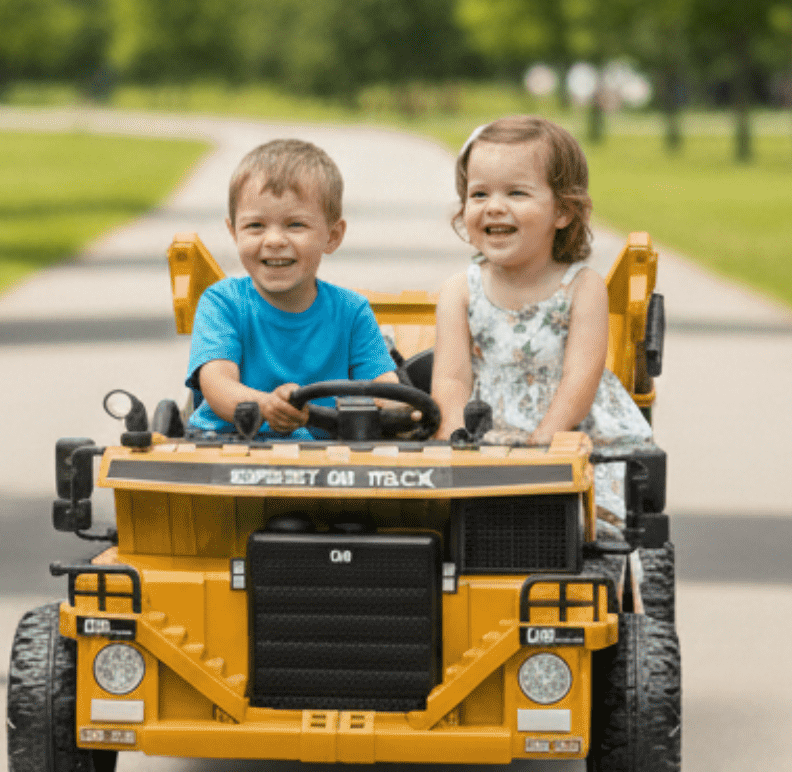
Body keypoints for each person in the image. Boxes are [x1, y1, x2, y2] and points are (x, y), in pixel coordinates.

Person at [430, 116, 652, 529]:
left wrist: (545, 442)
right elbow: (452, 380)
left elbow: (580, 377)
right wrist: (456, 438)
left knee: (589, 532)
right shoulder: (459, 291)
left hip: (568, 431)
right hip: (487, 436)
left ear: (564, 211)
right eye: (479, 193)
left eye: (516, 192)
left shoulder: (582, 287)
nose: (494, 206)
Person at [187, 139, 397, 434]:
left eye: (295, 225)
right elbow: (218, 386)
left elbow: (386, 391)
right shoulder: (223, 303)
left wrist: (399, 408)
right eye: (255, 226)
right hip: (227, 452)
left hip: (327, 462)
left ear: (333, 236)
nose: (274, 240)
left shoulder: (352, 312)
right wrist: (266, 405)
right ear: (234, 232)